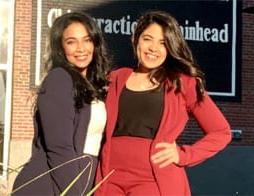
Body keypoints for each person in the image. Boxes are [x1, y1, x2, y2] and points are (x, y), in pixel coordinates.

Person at [95, 10, 231, 196]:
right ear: (136, 39)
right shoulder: (115, 78)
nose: (153, 48)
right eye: (147, 39)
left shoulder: (183, 82)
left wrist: (183, 155)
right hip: (109, 177)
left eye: (162, 43)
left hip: (153, 179)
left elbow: (221, 132)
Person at [12, 11, 111, 196]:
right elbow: (59, 149)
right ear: (61, 47)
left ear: (95, 43)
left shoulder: (95, 86)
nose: (81, 48)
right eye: (71, 42)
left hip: (82, 181)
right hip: (52, 186)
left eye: (87, 40)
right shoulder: (59, 79)